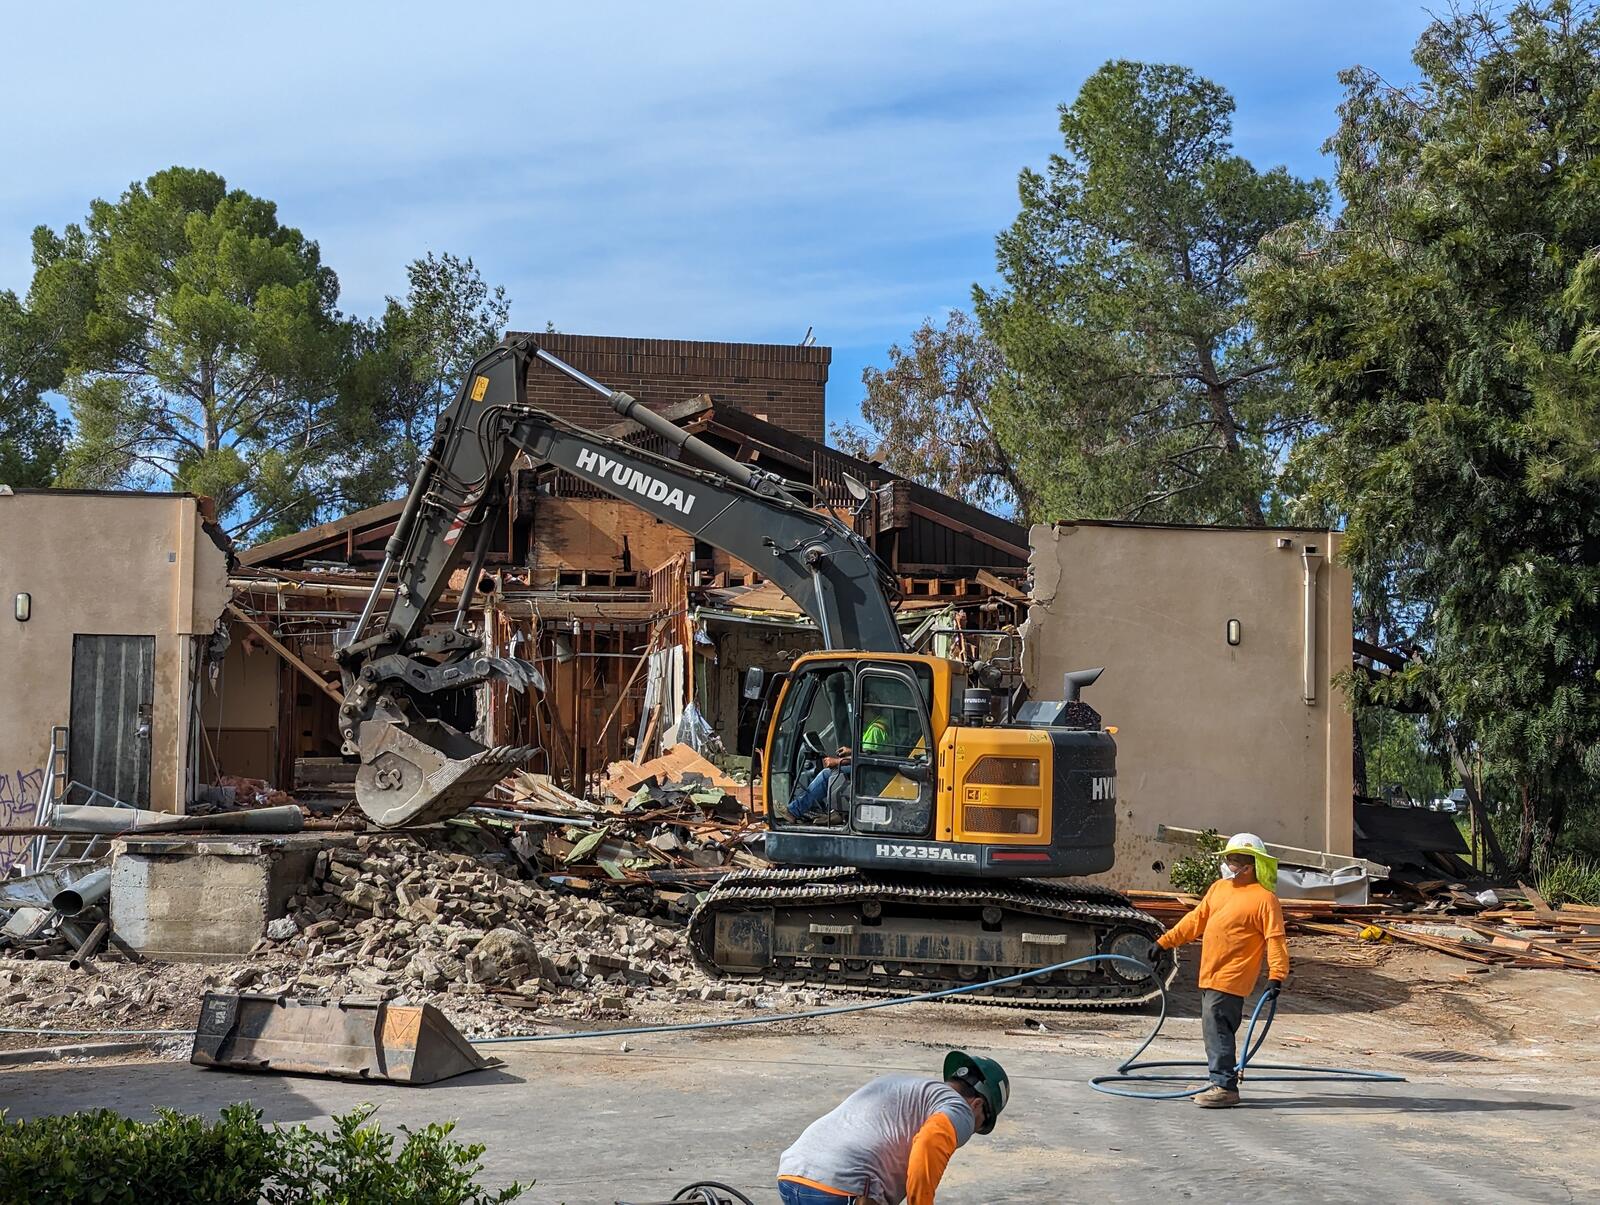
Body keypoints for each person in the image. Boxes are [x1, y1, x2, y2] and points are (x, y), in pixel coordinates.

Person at [1153, 831, 1289, 1108]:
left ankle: (1225, 1086)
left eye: (1233, 860)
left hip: (1233, 975)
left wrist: (1277, 976)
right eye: (1227, 859)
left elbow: (1275, 939)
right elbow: (1196, 920)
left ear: (1249, 866)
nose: (1227, 864)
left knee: (1217, 1025)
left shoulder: (1264, 899)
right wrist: (1165, 942)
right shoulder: (1219, 889)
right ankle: (1218, 1079)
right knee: (1213, 1027)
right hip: (1210, 972)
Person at [777, 1050, 1008, 1204]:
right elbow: (929, 1143)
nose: (970, 1130)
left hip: (793, 1174)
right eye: (979, 1125)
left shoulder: (905, 1085)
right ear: (978, 1105)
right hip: (842, 1187)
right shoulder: (960, 1108)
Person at [786, 712, 891, 822]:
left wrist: (837, 761)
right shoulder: (883, 723)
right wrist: (851, 751)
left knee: (827, 774)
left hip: (871, 774)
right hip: (875, 771)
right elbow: (872, 754)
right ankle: (835, 812)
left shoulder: (876, 729)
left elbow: (867, 759)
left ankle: (794, 811)